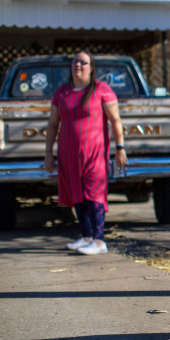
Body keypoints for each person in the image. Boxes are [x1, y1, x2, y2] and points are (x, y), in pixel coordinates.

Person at [45, 50, 127, 255]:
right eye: (75, 62)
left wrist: (120, 147)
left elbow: (116, 120)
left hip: (94, 153)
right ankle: (87, 236)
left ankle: (99, 242)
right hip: (69, 155)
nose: (78, 66)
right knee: (77, 194)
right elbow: (53, 124)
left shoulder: (102, 90)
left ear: (91, 68)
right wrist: (48, 153)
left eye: (83, 62)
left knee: (94, 194)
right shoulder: (61, 93)